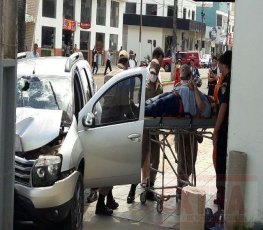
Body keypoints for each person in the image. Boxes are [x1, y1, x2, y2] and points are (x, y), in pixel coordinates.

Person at [127, 47, 165, 204]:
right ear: (160, 57)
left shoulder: (155, 77)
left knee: (154, 159)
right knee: (142, 157)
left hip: (154, 125)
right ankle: (132, 190)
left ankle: (149, 187)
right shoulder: (149, 74)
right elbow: (149, 96)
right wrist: (153, 78)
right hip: (146, 125)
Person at [95, 50, 131, 216]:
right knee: (111, 167)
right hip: (115, 122)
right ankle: (100, 204)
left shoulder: (109, 74)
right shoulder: (125, 77)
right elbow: (125, 103)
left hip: (104, 120)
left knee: (107, 164)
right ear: (128, 62)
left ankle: (108, 199)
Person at [174, 64, 211, 196]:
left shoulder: (176, 90)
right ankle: (182, 187)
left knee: (182, 160)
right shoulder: (194, 92)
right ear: (190, 77)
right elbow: (206, 111)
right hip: (190, 133)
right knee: (188, 161)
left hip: (180, 132)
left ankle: (181, 187)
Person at [213, 50, 232, 211]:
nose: (218, 66)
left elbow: (223, 106)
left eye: (219, 63)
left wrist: (216, 130)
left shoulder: (227, 81)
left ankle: (222, 197)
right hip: (228, 128)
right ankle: (222, 195)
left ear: (224, 64)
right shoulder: (229, 79)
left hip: (225, 129)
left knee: (220, 163)